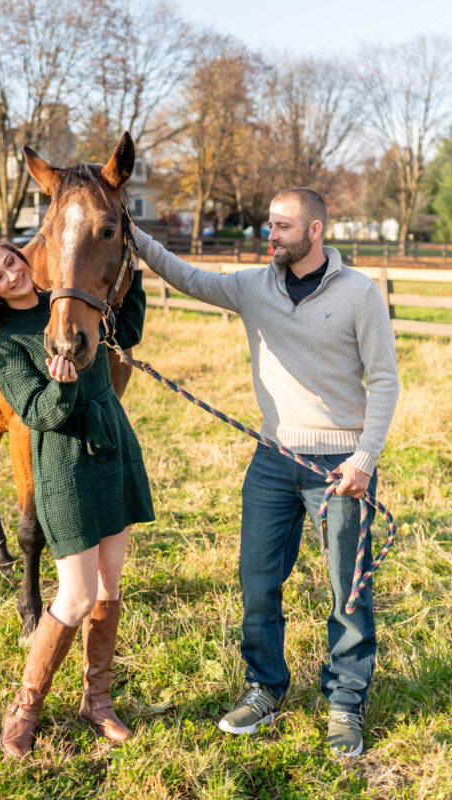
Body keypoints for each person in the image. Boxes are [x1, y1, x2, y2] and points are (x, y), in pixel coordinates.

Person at [132, 189, 399, 759]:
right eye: (268, 227)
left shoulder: (360, 293)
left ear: (315, 230)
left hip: (340, 467)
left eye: (282, 227)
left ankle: (345, 701)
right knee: (257, 582)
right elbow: (186, 276)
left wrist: (363, 460)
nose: (270, 235)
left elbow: (384, 381)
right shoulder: (254, 286)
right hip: (273, 459)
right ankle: (265, 688)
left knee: (348, 591)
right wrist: (130, 232)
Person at [0, 238, 154, 759]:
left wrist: (132, 277)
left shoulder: (71, 301)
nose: (13, 274)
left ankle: (98, 702)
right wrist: (62, 385)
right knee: (76, 596)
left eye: (11, 261)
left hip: (113, 446)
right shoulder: (8, 343)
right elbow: (38, 413)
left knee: (109, 584)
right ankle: (24, 708)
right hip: (65, 465)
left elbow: (126, 333)